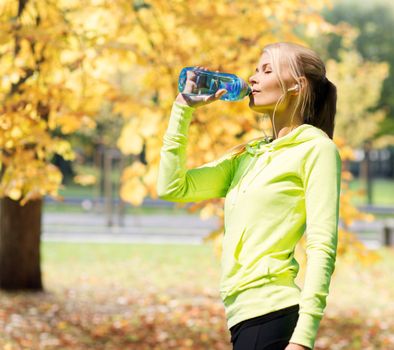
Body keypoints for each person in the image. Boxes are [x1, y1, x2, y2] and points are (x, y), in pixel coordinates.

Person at [157, 42, 342, 350]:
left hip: (273, 315)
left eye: (266, 70)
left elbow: (322, 246)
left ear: (298, 85)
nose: (253, 78)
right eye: (256, 70)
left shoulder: (316, 149)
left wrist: (303, 338)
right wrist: (182, 109)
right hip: (242, 316)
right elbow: (172, 187)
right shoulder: (249, 154)